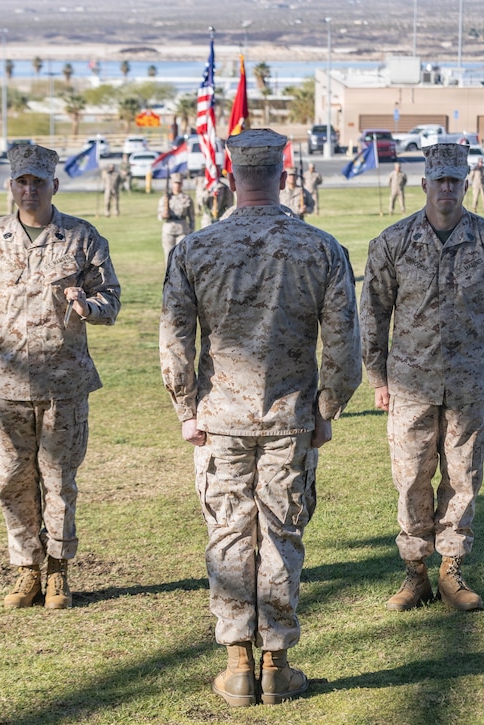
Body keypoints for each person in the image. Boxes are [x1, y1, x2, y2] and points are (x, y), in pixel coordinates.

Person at [159, 128, 362, 707]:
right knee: (280, 532)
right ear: (283, 171)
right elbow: (344, 345)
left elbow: (175, 338)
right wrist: (328, 408)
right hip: (290, 417)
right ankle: (276, 662)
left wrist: (185, 409)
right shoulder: (319, 248)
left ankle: (238, 662)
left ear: (229, 171)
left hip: (219, 418)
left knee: (227, 532)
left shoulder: (195, 248)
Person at [359, 143, 484, 613]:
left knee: (462, 476)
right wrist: (377, 377)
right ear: (425, 184)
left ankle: (452, 570)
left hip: (469, 382)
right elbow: (372, 314)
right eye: (440, 181)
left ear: (466, 184)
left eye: (456, 181)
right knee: (411, 477)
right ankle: (415, 574)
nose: (447, 189)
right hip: (409, 384)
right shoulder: (391, 243)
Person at [0, 143, 122, 610]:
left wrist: (87, 306)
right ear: (11, 185)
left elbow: (110, 301)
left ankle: (57, 571)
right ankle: (25, 569)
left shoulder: (80, 237)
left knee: (58, 480)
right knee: (12, 480)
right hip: (6, 383)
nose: (29, 189)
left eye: (38, 181)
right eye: (21, 181)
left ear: (55, 184)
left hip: (63, 383)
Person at [157, 173, 194, 257]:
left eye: (179, 183)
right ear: (172, 183)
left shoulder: (187, 198)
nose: (177, 185)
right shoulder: (165, 198)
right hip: (169, 230)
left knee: (181, 256)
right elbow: (159, 215)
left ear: (182, 184)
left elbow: (192, 217)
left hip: (183, 230)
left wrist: (191, 231)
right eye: (175, 183)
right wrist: (163, 215)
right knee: (169, 256)